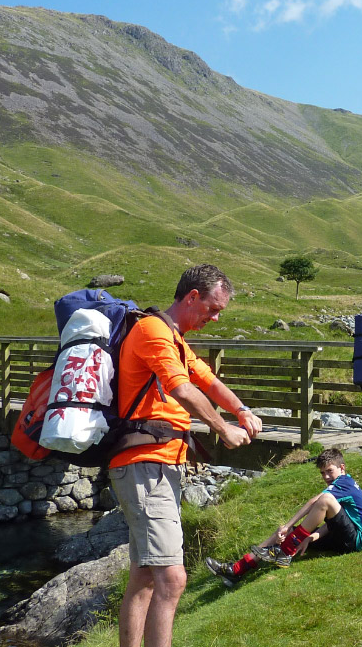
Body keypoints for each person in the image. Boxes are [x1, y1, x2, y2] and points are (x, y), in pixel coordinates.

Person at [109, 264, 262, 647]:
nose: (214, 317)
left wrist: (241, 409)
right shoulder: (152, 331)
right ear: (192, 297)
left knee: (145, 575)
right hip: (145, 464)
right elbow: (180, 388)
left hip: (158, 464)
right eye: (212, 308)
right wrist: (222, 427)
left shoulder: (175, 339)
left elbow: (205, 380)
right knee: (172, 578)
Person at [205, 448, 362, 587]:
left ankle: (286, 551)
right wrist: (310, 537)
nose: (326, 477)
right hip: (343, 537)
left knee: (324, 500)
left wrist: (287, 525)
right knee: (293, 532)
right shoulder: (342, 486)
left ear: (342, 468)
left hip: (356, 540)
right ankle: (237, 569)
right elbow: (334, 523)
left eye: (330, 471)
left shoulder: (344, 482)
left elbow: (315, 502)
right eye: (322, 473)